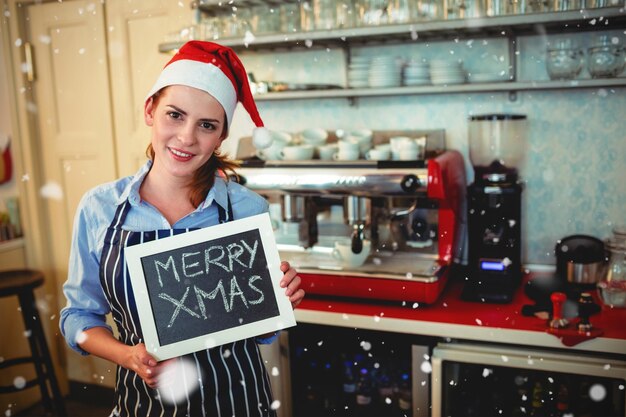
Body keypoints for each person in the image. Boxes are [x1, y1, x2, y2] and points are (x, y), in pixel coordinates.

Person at [60, 40, 305, 417]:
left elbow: (262, 332)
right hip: (144, 407)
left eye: (206, 125)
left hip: (239, 404)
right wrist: (128, 356)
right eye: (175, 115)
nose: (187, 137)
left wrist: (277, 299)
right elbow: (79, 316)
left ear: (221, 135)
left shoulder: (246, 208)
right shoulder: (100, 209)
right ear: (150, 110)